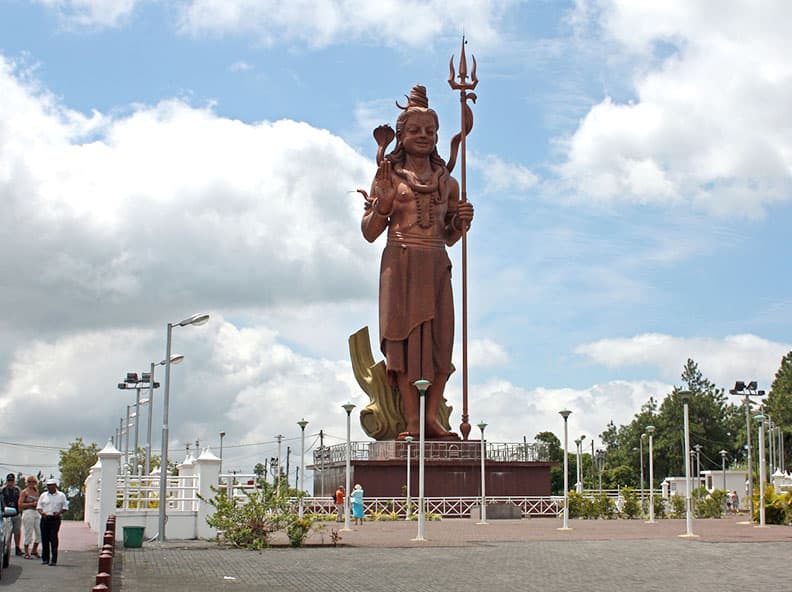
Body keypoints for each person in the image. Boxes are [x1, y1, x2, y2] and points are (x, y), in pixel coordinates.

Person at [361, 85, 474, 440]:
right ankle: (412, 421)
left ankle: (432, 420)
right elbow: (369, 232)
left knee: (441, 345)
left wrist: (461, 222)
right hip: (401, 263)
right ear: (401, 136)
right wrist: (383, 202)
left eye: (430, 131)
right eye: (415, 130)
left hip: (436, 264)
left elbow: (451, 237)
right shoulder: (388, 176)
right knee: (405, 348)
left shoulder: (448, 183)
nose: (423, 136)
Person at [36, 478, 68, 566]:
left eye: (51, 486)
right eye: (48, 486)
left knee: (53, 538)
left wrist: (59, 513)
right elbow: (39, 507)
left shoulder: (61, 495)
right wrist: (42, 513)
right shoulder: (43, 495)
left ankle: (54, 559)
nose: (50, 487)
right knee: (45, 539)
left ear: (55, 486)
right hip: (45, 518)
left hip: (55, 519)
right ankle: (45, 558)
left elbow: (65, 507)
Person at [1, 473, 22, 556]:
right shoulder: (2, 490)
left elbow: (20, 500)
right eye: (9, 481)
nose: (10, 482)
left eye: (12, 481)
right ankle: (6, 547)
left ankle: (17, 547)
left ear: (14, 481)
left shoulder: (17, 490)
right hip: (5, 514)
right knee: (6, 532)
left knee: (17, 531)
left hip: (15, 513)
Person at [20, 475, 41, 559]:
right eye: (29, 482)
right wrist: (31, 504)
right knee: (28, 532)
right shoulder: (24, 492)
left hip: (36, 512)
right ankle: (26, 552)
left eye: (33, 482)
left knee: (39, 532)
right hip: (28, 511)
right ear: (27, 483)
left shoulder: (36, 491)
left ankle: (34, 550)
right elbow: (20, 504)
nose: (31, 484)